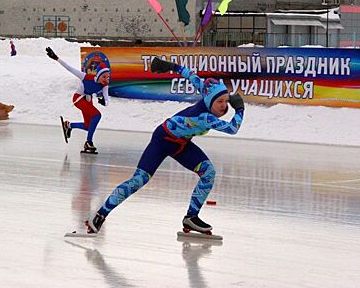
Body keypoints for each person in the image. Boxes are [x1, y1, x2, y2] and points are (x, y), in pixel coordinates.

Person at [85, 57, 245, 234]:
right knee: (138, 180)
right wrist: (239, 110)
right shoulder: (205, 118)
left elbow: (189, 74)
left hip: (181, 144)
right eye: (219, 102)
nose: (223, 106)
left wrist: (168, 66)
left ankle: (191, 217)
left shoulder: (207, 90)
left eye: (225, 100)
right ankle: (100, 215)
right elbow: (232, 129)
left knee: (208, 172)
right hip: (162, 140)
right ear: (209, 101)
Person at [45, 47, 110, 153]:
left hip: (88, 100)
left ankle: (69, 125)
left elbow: (107, 101)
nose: (106, 79)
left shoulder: (105, 86)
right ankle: (88, 142)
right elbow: (69, 68)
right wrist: (57, 58)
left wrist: (104, 102)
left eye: (108, 77)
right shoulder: (85, 77)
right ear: (98, 75)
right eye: (104, 77)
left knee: (88, 126)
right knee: (97, 115)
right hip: (78, 99)